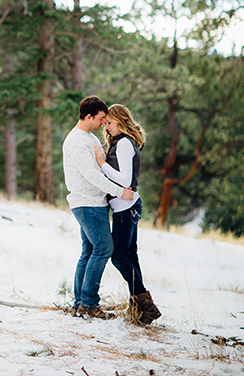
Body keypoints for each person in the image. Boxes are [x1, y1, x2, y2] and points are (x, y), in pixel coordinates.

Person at [62, 95, 134, 320]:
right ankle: (89, 304)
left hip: (93, 202)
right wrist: (120, 191)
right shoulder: (77, 141)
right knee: (104, 248)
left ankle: (80, 303)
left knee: (90, 251)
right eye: (101, 118)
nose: (104, 123)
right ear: (88, 116)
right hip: (88, 203)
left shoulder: (88, 137)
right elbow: (92, 175)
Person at [97, 103, 162, 327]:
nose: (106, 127)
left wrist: (102, 164)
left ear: (121, 121)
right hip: (127, 207)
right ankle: (141, 309)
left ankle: (147, 306)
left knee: (119, 256)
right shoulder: (122, 142)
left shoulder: (124, 143)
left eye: (110, 123)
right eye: (105, 123)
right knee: (130, 257)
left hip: (126, 210)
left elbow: (124, 180)